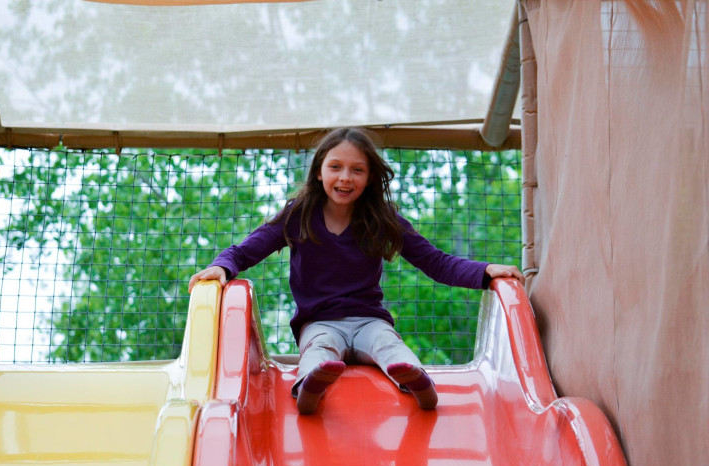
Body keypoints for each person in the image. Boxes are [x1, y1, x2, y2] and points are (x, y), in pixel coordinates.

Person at [188, 127, 524, 414]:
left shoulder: (381, 220)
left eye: (357, 170)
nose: (345, 177)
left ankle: (417, 382)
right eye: (335, 167)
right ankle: (309, 388)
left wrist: (485, 272)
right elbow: (246, 249)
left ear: (369, 177)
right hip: (318, 322)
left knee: (388, 345)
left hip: (369, 320)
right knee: (319, 348)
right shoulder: (299, 215)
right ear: (319, 172)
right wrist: (221, 267)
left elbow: (435, 262)